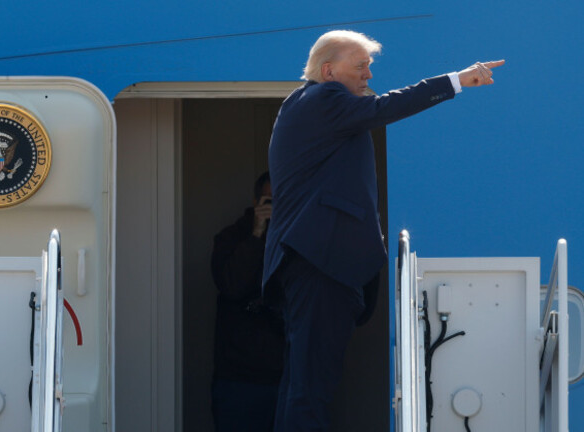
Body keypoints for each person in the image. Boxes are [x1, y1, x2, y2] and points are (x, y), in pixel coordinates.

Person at [261, 30, 504, 431]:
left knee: (302, 383)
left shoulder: (305, 103)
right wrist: (458, 80)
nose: (368, 75)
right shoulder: (324, 99)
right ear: (328, 70)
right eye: (360, 66)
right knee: (310, 387)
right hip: (320, 262)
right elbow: (384, 108)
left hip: (314, 262)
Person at [211, 171, 285, 432]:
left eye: (282, 201)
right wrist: (257, 234)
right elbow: (231, 284)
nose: (275, 208)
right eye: (269, 201)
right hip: (239, 379)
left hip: (285, 376)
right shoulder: (231, 238)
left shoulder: (296, 240)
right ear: (256, 202)